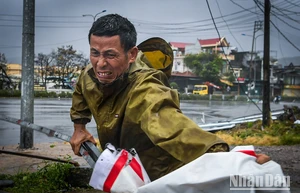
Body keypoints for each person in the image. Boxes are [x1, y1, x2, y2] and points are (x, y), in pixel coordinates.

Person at [69, 14, 270, 181]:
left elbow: (172, 128)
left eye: (110, 55)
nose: (100, 64)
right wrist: (79, 128)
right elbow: (81, 91)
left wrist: (230, 161)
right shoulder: (90, 74)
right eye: (95, 53)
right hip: (121, 167)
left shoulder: (146, 88)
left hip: (159, 173)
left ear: (131, 55)